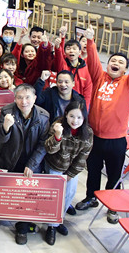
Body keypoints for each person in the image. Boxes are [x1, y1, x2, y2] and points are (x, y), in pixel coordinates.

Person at [75, 28, 129, 224]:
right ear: (107, 64)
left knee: (114, 175)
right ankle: (91, 197)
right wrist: (90, 42)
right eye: (113, 61)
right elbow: (93, 62)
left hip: (116, 141)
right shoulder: (99, 78)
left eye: (120, 62)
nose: (115, 63)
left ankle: (113, 207)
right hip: (95, 137)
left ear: (125, 69)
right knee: (93, 170)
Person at [0, 84, 49, 245]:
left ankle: (23, 228)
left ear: (34, 98)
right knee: (10, 193)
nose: (23, 101)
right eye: (19, 97)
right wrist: (6, 126)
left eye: (27, 97)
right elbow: (1, 139)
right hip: (10, 159)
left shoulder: (43, 116)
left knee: (27, 196)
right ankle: (9, 213)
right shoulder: (7, 111)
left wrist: (32, 164)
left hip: (32, 161)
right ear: (15, 98)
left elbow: (43, 144)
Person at [43, 101, 93, 245]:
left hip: (72, 170)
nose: (75, 121)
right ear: (66, 115)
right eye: (72, 116)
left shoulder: (88, 133)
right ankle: (51, 226)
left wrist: (71, 174)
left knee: (69, 194)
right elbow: (49, 150)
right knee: (54, 196)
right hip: (55, 165)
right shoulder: (57, 126)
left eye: (79, 117)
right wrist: (57, 136)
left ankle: (58, 220)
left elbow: (83, 157)